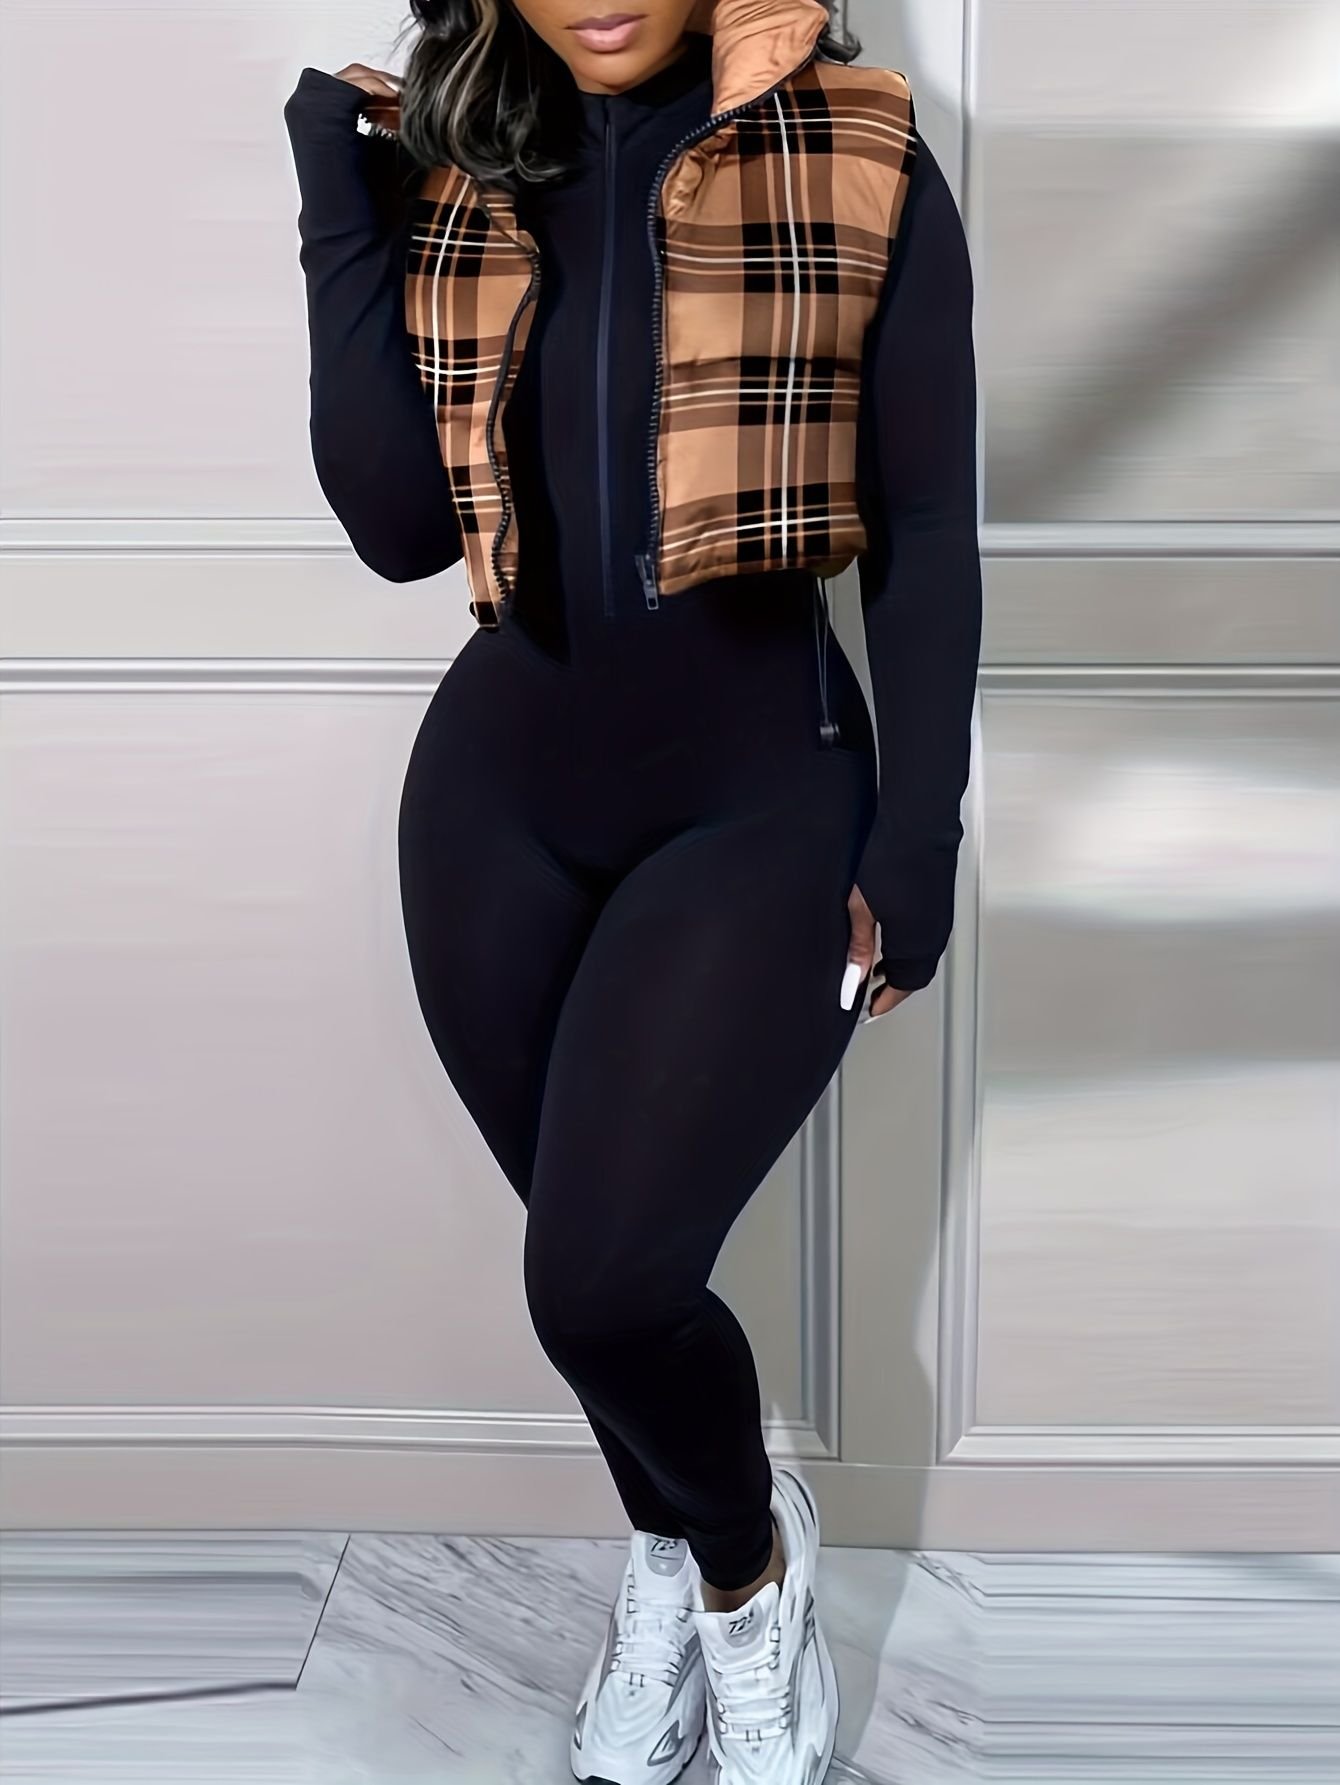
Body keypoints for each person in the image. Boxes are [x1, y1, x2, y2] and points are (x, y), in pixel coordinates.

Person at [283, 2, 980, 1779]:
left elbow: (924, 531)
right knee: (583, 1271)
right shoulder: (455, 166)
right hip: (495, 806)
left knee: (602, 1283)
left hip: (758, 798)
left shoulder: (862, 148)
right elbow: (396, 527)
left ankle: (747, 1577)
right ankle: (680, 1549)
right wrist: (337, 209)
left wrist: (917, 837)